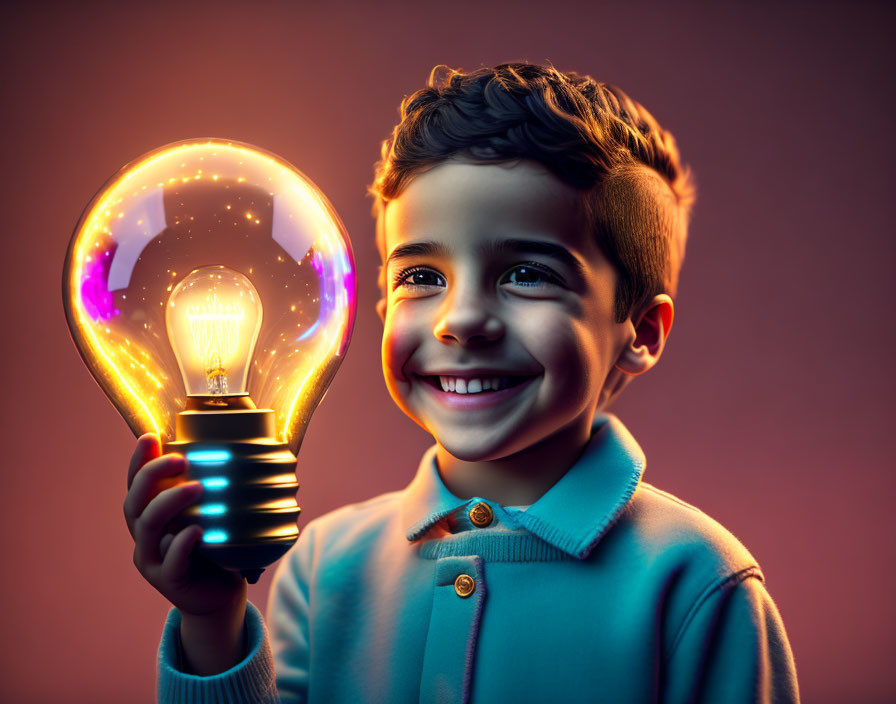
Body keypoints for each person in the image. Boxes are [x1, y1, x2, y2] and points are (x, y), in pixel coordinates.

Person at [123, 62, 800, 703]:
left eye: (526, 274)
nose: (463, 319)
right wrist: (212, 619)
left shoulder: (696, 584)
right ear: (383, 305)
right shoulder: (325, 566)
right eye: (422, 277)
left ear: (640, 332)